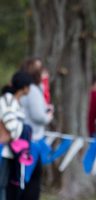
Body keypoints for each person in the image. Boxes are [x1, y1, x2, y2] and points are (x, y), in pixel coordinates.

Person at [7, 58, 53, 200]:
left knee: (23, 180)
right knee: (30, 182)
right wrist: (49, 116)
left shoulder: (29, 89)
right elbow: (38, 115)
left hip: (23, 141)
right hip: (31, 142)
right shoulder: (32, 90)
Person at [0, 71, 32, 200]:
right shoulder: (7, 100)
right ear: (24, 87)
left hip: (10, 152)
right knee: (1, 185)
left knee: (5, 185)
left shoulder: (15, 102)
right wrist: (24, 129)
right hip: (3, 151)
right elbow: (11, 125)